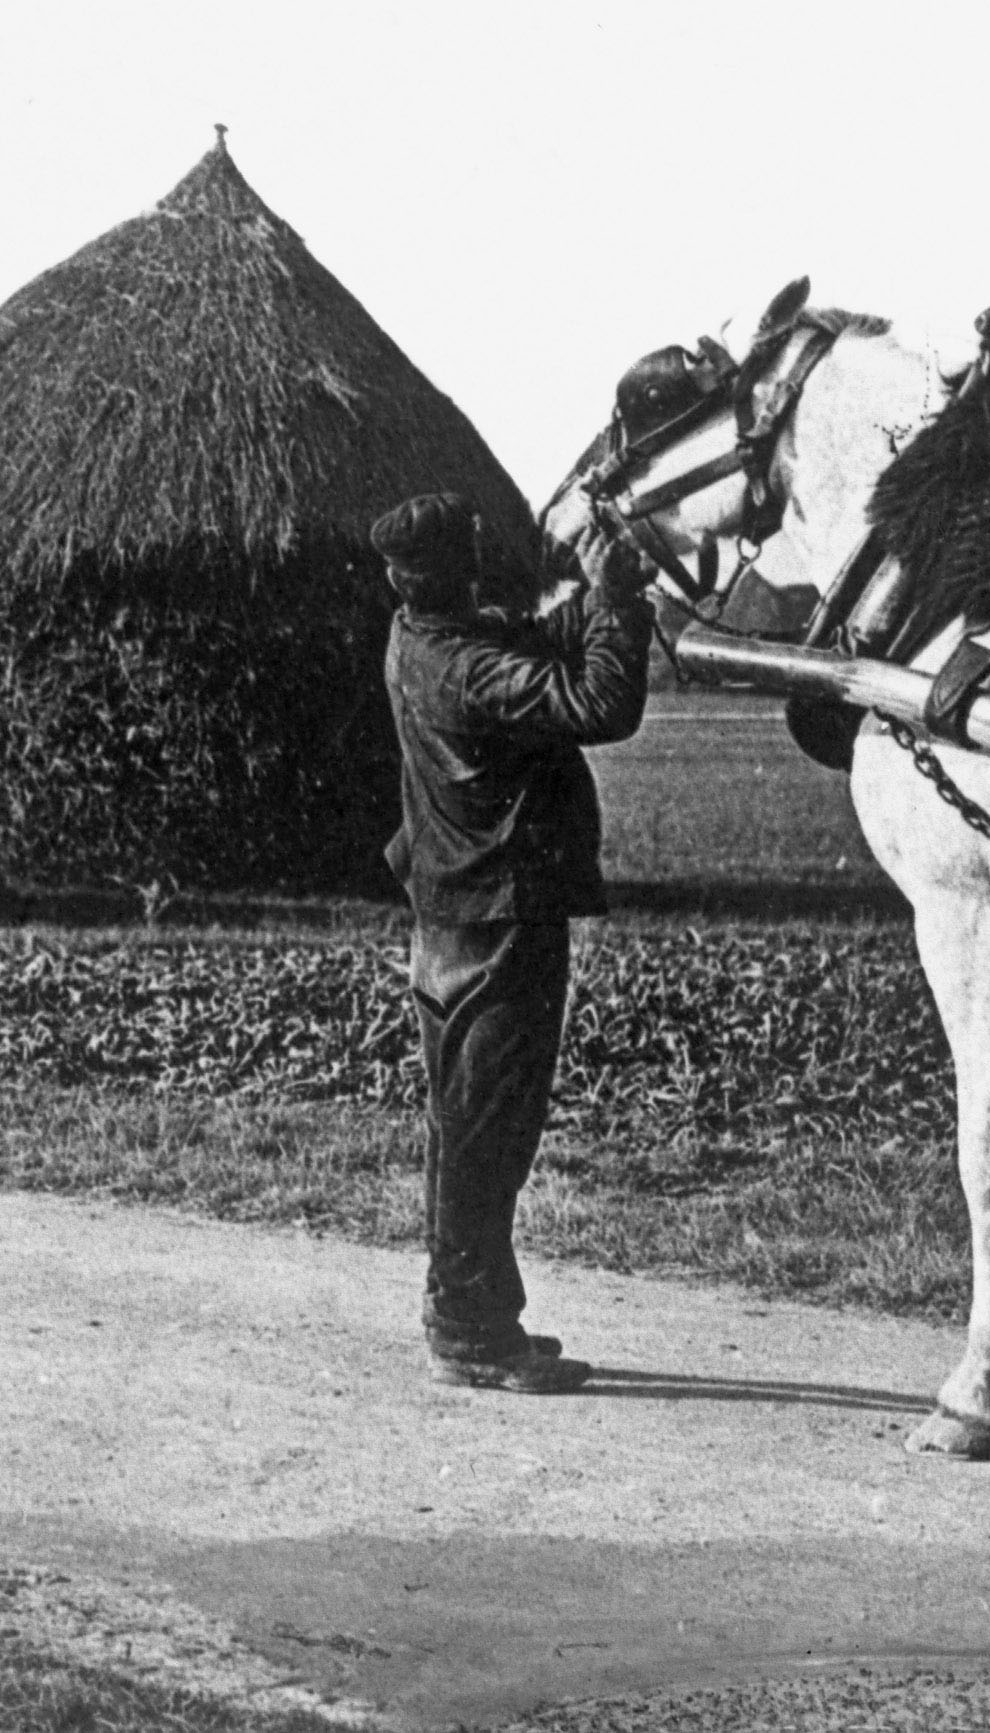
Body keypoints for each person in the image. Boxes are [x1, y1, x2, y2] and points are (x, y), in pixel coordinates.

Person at [371, 487, 652, 1393]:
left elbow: (526, 642)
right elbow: (600, 700)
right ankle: (469, 1333)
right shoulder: (464, 666)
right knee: (488, 1130)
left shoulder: (419, 638)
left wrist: (590, 600)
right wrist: (616, 604)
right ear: (462, 566)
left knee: (468, 1126)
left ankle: (479, 1314)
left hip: (453, 915)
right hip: (498, 922)